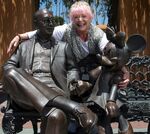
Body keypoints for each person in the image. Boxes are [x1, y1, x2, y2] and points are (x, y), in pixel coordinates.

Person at [7, 1, 132, 134]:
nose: (80, 20)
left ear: (90, 17)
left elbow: (112, 55)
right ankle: (83, 113)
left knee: (106, 71)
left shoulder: (97, 34)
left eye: (84, 16)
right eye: (76, 17)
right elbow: (40, 30)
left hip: (91, 79)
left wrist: (124, 70)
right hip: (73, 80)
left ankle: (110, 118)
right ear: (72, 19)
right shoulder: (66, 30)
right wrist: (20, 36)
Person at [2, 9, 98, 134]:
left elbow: (72, 68)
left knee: (56, 115)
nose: (51, 23)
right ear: (36, 24)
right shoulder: (23, 46)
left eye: (53, 20)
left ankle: (66, 105)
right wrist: (23, 73)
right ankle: (74, 107)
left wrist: (74, 81)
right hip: (27, 95)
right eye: (47, 21)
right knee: (10, 72)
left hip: (55, 90)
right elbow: (8, 67)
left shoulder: (64, 47)